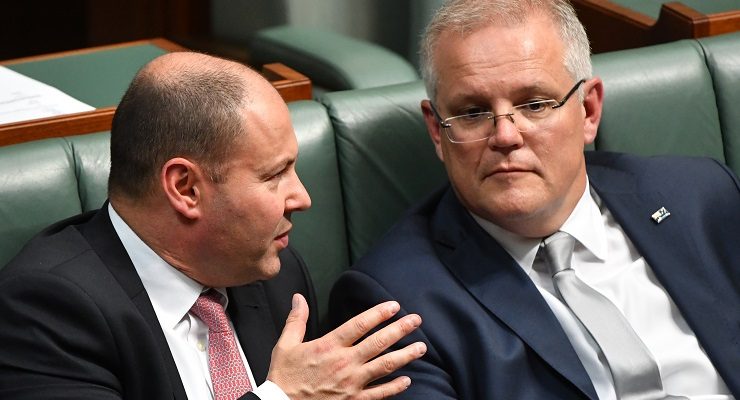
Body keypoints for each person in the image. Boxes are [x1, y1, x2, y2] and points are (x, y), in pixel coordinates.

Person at [329, 0, 739, 399]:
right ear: (438, 131)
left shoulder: (699, 196)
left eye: (535, 104)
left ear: (589, 111)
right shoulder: (392, 303)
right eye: (473, 112)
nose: (505, 136)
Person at [0, 52, 427, 400]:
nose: (302, 198)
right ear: (185, 188)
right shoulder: (46, 310)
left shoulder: (273, 272)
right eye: (274, 175)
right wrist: (282, 398)